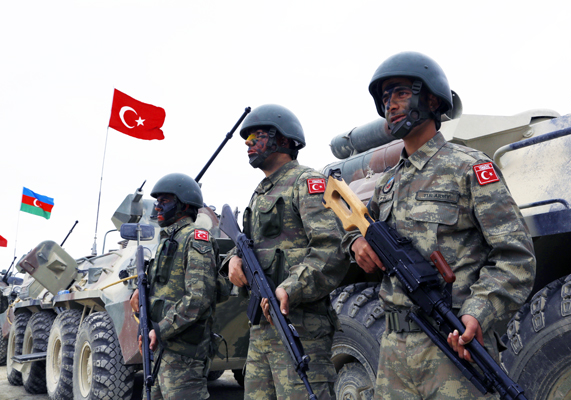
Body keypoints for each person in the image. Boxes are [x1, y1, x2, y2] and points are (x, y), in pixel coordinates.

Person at [346, 52, 536, 399]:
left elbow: (515, 256)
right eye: (385, 98)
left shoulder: (469, 168)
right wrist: (356, 244)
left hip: (455, 345)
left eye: (401, 93)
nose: (391, 105)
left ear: (431, 100)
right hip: (393, 353)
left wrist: (478, 313)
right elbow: (358, 229)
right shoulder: (387, 183)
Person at [221, 104, 349, 400]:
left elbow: (331, 248)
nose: (248, 143)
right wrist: (233, 260)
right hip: (261, 330)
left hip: (301, 326)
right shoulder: (260, 192)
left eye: (256, 136)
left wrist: (291, 288)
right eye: (247, 138)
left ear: (283, 139)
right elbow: (248, 244)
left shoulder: (306, 182)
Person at [130, 172, 219, 400]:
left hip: (183, 354)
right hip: (162, 348)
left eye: (165, 201)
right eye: (157, 201)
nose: (157, 207)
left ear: (184, 205)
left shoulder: (195, 239)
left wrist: (161, 329)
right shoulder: (168, 240)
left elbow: (198, 298)